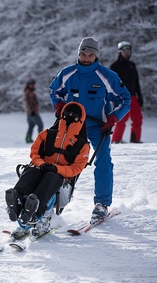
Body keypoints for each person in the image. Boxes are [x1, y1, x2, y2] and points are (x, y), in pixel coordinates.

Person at [49, 37, 131, 225]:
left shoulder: (106, 76)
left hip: (97, 127)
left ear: (96, 56)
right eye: (83, 54)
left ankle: (101, 204)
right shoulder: (67, 73)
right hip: (71, 125)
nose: (86, 58)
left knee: (103, 159)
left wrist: (113, 118)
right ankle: (52, 201)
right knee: (58, 158)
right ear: (78, 54)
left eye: (90, 55)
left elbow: (124, 99)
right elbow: (54, 92)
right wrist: (59, 105)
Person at [5, 102, 90, 238]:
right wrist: (41, 163)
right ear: (62, 114)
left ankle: (36, 211)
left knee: (50, 177)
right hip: (41, 168)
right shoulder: (47, 134)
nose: (69, 116)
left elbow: (76, 168)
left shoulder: (82, 145)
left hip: (60, 179)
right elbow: (34, 152)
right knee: (30, 171)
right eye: (67, 113)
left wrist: (56, 168)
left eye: (74, 115)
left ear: (80, 119)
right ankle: (18, 202)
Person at [110, 41, 144, 143]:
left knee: (138, 119)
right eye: (124, 51)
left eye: (128, 51)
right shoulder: (114, 66)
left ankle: (135, 139)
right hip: (121, 97)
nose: (126, 53)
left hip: (133, 96)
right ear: (120, 52)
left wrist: (140, 96)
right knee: (121, 119)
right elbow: (111, 84)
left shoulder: (132, 65)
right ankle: (116, 140)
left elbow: (136, 82)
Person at [23, 78, 44, 143]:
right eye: (31, 84)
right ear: (28, 85)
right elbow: (28, 102)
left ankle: (28, 139)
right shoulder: (29, 93)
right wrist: (31, 110)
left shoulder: (29, 92)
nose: (33, 85)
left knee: (31, 126)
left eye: (33, 84)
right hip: (32, 112)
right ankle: (40, 140)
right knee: (40, 125)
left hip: (29, 112)